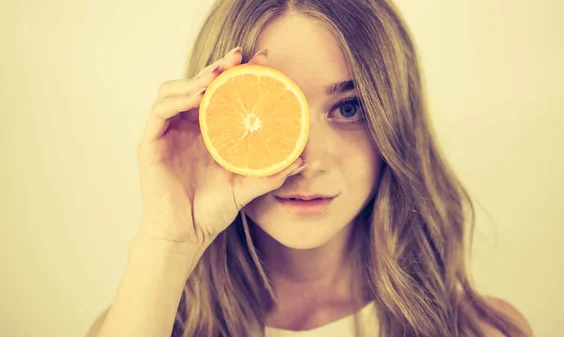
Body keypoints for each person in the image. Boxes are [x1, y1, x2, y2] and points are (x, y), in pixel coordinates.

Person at [86, 0, 534, 336]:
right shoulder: (140, 320)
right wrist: (167, 242)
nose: (308, 160)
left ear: (396, 120)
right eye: (272, 108)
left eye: (350, 107)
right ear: (213, 114)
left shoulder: (481, 330)